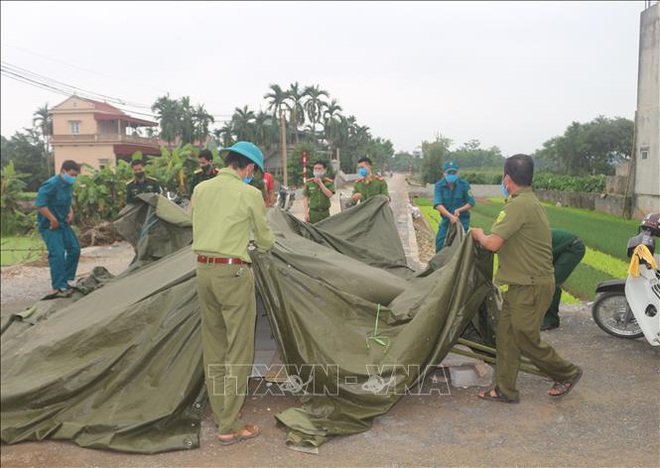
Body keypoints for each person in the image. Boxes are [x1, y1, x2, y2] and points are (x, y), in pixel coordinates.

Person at [471, 154, 582, 403]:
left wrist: (478, 234)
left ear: (507, 179)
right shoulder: (529, 202)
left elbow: (493, 243)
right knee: (507, 337)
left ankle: (567, 372)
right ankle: (504, 389)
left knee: (525, 337)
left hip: (530, 286)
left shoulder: (518, 205)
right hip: (521, 284)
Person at [191, 140, 275, 445]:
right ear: (249, 168)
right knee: (238, 349)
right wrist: (264, 244)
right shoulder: (250, 193)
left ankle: (220, 413)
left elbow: (197, 224)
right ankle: (228, 425)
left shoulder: (201, 189)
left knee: (214, 346)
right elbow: (264, 238)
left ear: (228, 161)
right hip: (233, 272)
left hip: (203, 271)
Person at [35, 160, 81, 298]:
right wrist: (52, 219)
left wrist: (70, 211)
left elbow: (67, 200)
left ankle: (64, 281)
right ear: (63, 171)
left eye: (76, 176)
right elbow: (40, 204)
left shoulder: (68, 184)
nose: (74, 178)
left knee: (75, 249)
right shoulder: (51, 184)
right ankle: (57, 287)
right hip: (50, 226)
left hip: (63, 223)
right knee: (58, 254)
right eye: (72, 174)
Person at [542, 229, 586, 330]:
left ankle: (551, 320)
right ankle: (541, 313)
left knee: (552, 283)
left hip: (572, 248)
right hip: (557, 249)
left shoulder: (528, 241)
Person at [433, 160, 475, 252]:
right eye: (449, 172)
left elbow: (471, 202)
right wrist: (450, 216)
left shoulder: (464, 185)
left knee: (459, 248)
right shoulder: (439, 185)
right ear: (444, 173)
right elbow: (437, 204)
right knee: (440, 243)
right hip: (446, 221)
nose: (451, 174)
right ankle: (440, 265)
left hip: (461, 222)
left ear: (457, 173)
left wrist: (459, 210)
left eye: (454, 172)